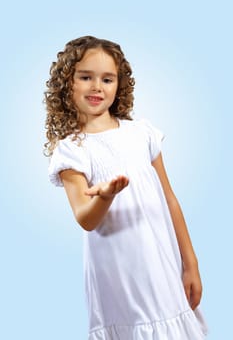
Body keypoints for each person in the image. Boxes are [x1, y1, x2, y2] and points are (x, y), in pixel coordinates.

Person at [45, 35, 208, 339]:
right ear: (67, 82)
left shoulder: (141, 133)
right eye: (85, 77)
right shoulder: (71, 150)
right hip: (119, 272)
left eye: (107, 79)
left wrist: (191, 263)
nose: (97, 87)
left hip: (162, 262)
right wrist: (105, 197)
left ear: (120, 85)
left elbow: (169, 200)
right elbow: (85, 217)